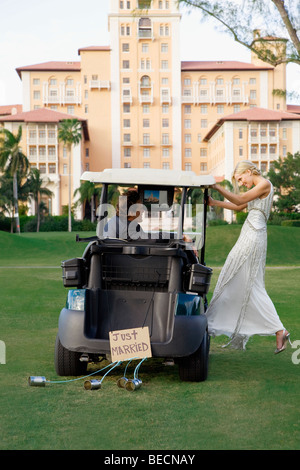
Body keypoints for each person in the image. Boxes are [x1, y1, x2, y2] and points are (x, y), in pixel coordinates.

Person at [206, 160, 290, 353]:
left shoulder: (264, 184)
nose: (242, 183)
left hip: (254, 234)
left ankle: (279, 329)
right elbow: (239, 207)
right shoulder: (258, 187)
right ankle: (279, 330)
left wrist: (217, 187)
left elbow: (239, 200)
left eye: (241, 178)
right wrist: (214, 202)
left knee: (245, 280)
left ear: (250, 171)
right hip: (251, 232)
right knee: (245, 281)